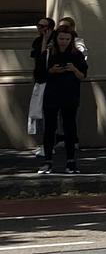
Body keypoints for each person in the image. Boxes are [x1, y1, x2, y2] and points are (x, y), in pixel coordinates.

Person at [35, 26, 88, 174]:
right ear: (56, 39)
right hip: (52, 94)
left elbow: (83, 76)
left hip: (70, 95)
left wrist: (74, 69)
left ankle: (71, 161)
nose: (64, 42)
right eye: (61, 39)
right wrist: (51, 71)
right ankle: (47, 161)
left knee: (69, 128)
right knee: (49, 128)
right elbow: (38, 76)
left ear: (71, 40)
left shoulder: (76, 55)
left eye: (67, 39)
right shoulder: (48, 54)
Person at [28, 16, 55, 158]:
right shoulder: (37, 41)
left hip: (51, 81)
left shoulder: (55, 41)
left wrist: (47, 40)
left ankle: (49, 145)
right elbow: (37, 59)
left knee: (48, 115)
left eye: (42, 26)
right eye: (38, 26)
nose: (40, 29)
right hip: (40, 80)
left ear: (50, 28)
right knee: (38, 114)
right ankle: (42, 144)